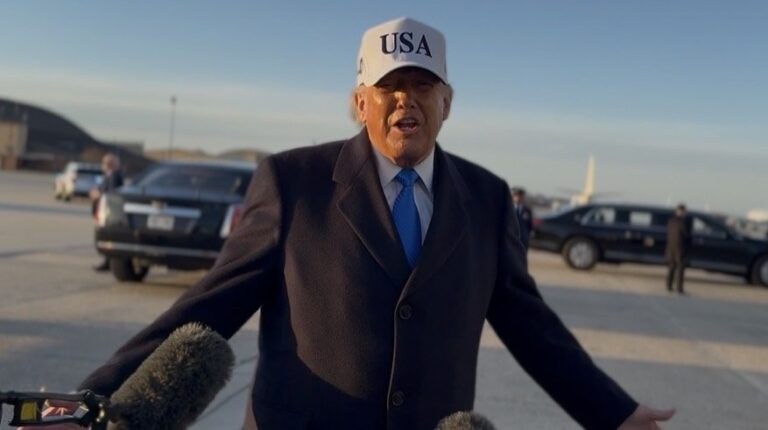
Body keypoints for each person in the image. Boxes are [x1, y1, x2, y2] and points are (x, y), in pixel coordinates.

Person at [26, 17, 674, 430]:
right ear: (359, 101)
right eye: (390, 87)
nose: (406, 101)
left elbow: (532, 327)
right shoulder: (293, 182)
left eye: (423, 86)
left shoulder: (486, 198)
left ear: (447, 103)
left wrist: (614, 413)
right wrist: (92, 394)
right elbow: (207, 306)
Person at [89, 152, 124, 272]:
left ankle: (108, 262)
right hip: (104, 210)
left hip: (109, 211)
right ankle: (107, 261)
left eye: (105, 162)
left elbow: (111, 193)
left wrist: (98, 194)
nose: (103, 165)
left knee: (107, 236)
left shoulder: (114, 175)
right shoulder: (109, 175)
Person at [665, 204, 690, 294]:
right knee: (680, 268)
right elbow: (686, 234)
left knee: (671, 267)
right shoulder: (683, 222)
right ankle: (679, 288)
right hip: (680, 248)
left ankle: (669, 286)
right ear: (682, 211)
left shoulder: (671, 221)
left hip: (670, 247)